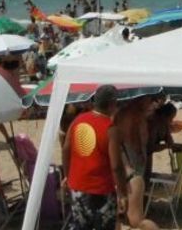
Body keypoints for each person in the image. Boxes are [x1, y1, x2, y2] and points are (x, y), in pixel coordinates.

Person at [62, 84, 125, 230]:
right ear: (112, 104)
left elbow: (66, 149)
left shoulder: (78, 120)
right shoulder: (111, 129)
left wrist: (67, 176)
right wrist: (122, 194)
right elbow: (116, 166)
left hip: (77, 186)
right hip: (101, 189)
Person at [113, 95, 158, 230]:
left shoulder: (126, 113)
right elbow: (132, 134)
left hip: (128, 153)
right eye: (149, 100)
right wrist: (139, 151)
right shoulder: (133, 114)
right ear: (141, 99)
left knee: (131, 188)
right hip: (132, 154)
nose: (151, 103)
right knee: (135, 185)